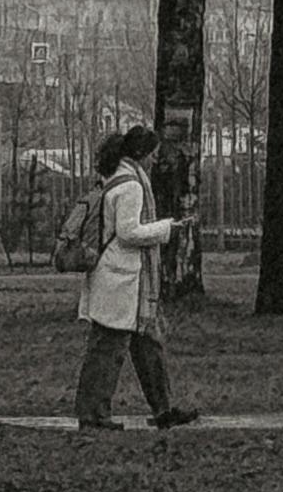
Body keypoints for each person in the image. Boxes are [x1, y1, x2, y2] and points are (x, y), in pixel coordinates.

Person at [74, 124, 199, 431]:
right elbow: (128, 232)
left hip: (123, 281)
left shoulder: (113, 176)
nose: (156, 160)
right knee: (108, 350)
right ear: (142, 154)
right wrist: (167, 228)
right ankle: (94, 415)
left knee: (148, 347)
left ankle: (163, 410)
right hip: (122, 281)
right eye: (154, 154)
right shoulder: (131, 185)